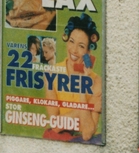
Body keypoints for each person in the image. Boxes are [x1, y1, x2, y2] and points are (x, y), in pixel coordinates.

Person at [43, 14, 103, 144]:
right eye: (71, 41)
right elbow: (56, 125)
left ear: (88, 52)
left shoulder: (97, 82)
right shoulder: (51, 73)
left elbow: (87, 134)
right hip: (63, 140)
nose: (74, 50)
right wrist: (87, 108)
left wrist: (83, 87)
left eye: (81, 46)